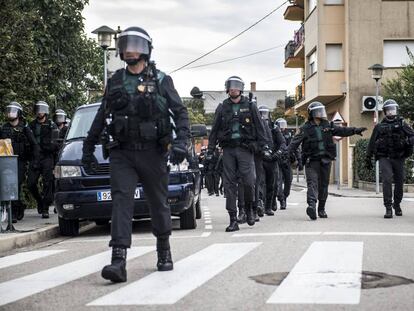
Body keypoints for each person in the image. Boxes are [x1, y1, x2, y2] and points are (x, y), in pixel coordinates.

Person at [82, 26, 190, 282]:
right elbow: (101, 116)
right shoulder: (116, 80)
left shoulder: (162, 80)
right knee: (121, 201)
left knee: (158, 203)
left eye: (135, 45)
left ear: (145, 50)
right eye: (125, 45)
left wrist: (181, 143)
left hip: (153, 152)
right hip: (123, 153)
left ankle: (163, 249)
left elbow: (181, 113)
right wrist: (88, 148)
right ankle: (118, 261)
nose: (129, 50)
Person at [288, 102, 367, 220]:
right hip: (311, 161)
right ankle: (311, 206)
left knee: (323, 185)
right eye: (318, 111)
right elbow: (294, 143)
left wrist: (355, 130)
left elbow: (341, 131)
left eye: (321, 110)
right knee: (312, 184)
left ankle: (321, 209)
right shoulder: (305, 128)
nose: (320, 113)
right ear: (312, 114)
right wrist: (288, 154)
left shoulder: (328, 125)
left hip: (325, 160)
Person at [207, 76, 267, 232]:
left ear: (241, 88)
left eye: (236, 86)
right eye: (230, 86)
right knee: (229, 185)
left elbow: (260, 127)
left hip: (245, 149)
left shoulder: (250, 106)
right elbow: (214, 130)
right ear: (227, 89)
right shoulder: (222, 107)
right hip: (228, 150)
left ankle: (249, 210)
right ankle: (233, 219)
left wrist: (264, 146)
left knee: (248, 181)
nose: (233, 89)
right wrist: (210, 149)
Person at [366, 99, 414, 218]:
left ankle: (396, 204)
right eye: (389, 110)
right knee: (387, 180)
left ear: (396, 110)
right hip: (384, 157)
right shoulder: (379, 126)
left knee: (399, 182)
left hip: (399, 157)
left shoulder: (403, 124)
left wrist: (408, 141)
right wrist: (368, 157)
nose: (391, 112)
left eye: (393, 110)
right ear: (385, 112)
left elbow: (413, 136)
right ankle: (388, 207)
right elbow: (372, 143)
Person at [0, 102, 39, 222]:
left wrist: (35, 161)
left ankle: (17, 209)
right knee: (7, 185)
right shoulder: (4, 128)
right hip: (7, 161)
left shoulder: (25, 128)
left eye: (13, 111)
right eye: (9, 111)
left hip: (20, 161)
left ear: (19, 113)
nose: (10, 113)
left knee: (16, 184)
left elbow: (34, 145)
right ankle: (15, 210)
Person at [28, 101, 59, 218]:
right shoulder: (31, 125)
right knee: (30, 183)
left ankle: (45, 208)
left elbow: (56, 143)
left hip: (47, 157)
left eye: (42, 109)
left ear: (45, 111)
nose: (39, 112)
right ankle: (39, 201)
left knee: (47, 183)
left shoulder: (52, 125)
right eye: (38, 109)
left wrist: (49, 149)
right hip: (35, 157)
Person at [258, 105, 286, 216]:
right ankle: (259, 204)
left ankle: (268, 207)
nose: (263, 116)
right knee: (260, 183)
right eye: (261, 114)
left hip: (272, 159)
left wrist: (277, 154)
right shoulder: (255, 127)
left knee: (272, 185)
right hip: (260, 158)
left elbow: (282, 143)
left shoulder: (274, 128)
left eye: (265, 114)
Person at [274, 118, 301, 210]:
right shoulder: (274, 134)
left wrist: (299, 159)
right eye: (280, 125)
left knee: (289, 180)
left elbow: (295, 147)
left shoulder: (289, 135)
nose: (282, 127)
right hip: (277, 161)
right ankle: (281, 199)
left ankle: (285, 196)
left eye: (283, 125)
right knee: (278, 181)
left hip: (287, 161)